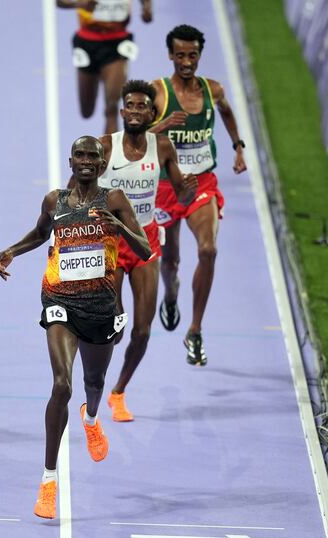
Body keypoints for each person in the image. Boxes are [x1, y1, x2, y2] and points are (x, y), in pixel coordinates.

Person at [0, 136, 151, 519]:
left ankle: (92, 417)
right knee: (61, 384)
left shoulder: (113, 200)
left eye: (92, 157)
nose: (85, 161)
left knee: (93, 384)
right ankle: (48, 480)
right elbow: (39, 233)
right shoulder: (55, 201)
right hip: (59, 299)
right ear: (70, 161)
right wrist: (11, 250)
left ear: (101, 164)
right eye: (79, 155)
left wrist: (118, 226)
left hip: (100, 305)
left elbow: (145, 249)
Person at [94, 80, 197, 421]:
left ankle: (118, 392)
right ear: (122, 111)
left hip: (146, 241)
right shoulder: (104, 148)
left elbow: (182, 196)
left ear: (152, 113)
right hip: (110, 240)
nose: (135, 111)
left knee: (142, 330)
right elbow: (73, 194)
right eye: (130, 106)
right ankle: (95, 380)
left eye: (142, 107)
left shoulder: (163, 147)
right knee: (117, 327)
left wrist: (185, 193)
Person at [149, 24, 247, 366]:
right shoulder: (157, 93)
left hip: (202, 184)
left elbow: (227, 112)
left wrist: (237, 146)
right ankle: (171, 295)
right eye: (180, 55)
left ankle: (195, 330)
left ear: (199, 55)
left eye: (192, 55)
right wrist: (161, 126)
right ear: (170, 55)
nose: (186, 61)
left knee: (208, 250)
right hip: (164, 188)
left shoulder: (213, 89)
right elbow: (134, 134)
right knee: (171, 261)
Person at [57, 0, 153, 134]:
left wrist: (146, 6)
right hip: (86, 42)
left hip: (117, 43)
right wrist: (78, 3)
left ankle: (107, 154)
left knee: (112, 108)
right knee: (86, 111)